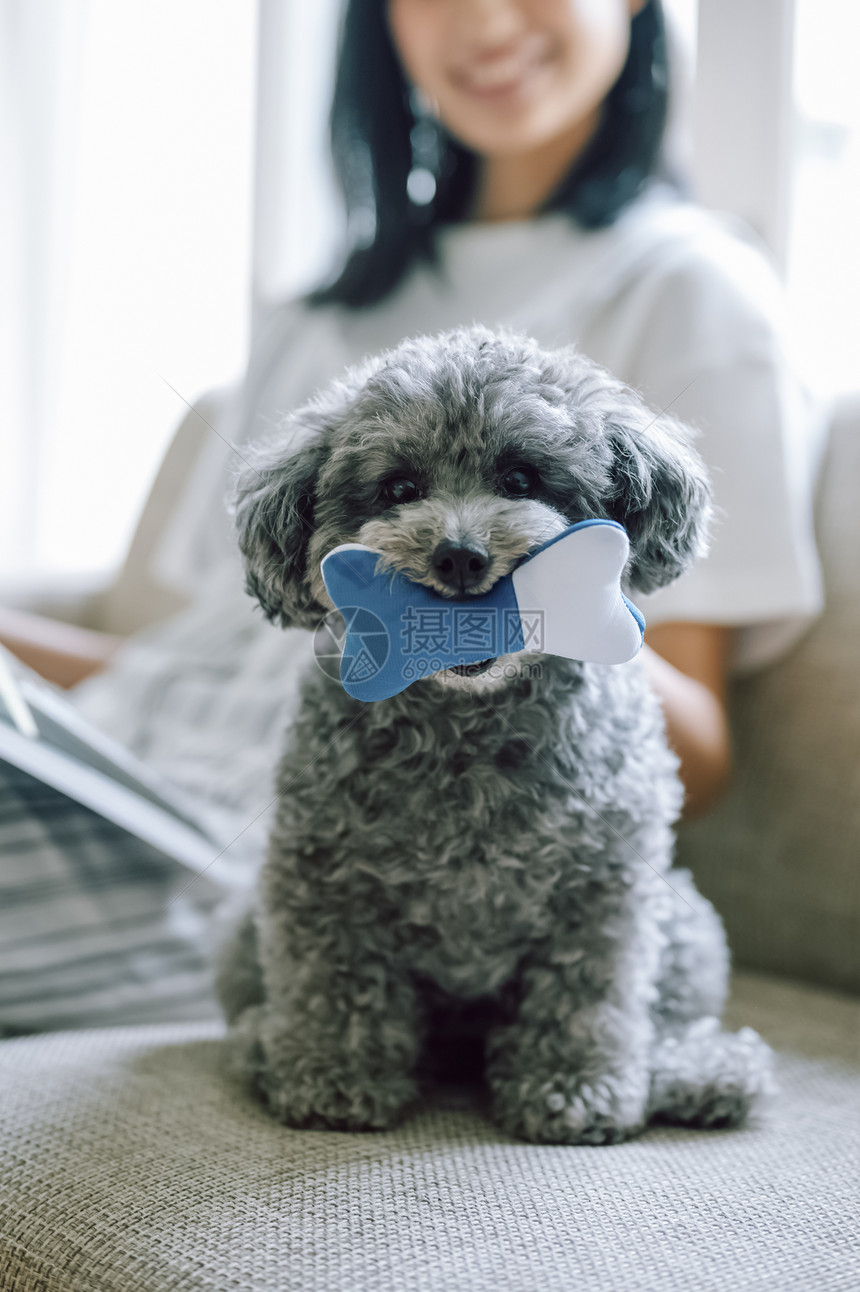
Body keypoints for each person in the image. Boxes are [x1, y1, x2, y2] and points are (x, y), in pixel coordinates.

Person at [0, 0, 825, 1031]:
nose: (482, 19)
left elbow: (692, 750)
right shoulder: (321, 309)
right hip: (117, 768)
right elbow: (179, 659)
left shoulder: (685, 286)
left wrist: (521, 606)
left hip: (257, 855)